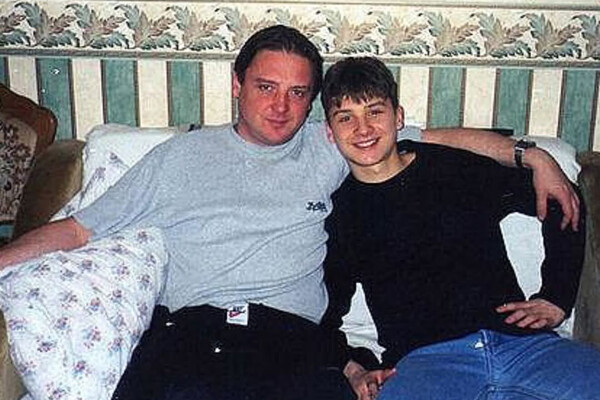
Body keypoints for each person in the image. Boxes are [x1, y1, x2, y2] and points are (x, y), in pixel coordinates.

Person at [0, 26, 582, 400]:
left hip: (294, 346)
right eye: (266, 87)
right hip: (193, 337)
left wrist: (532, 157)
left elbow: (425, 137)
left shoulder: (331, 144)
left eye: (299, 93)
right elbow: (78, 228)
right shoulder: (178, 158)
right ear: (237, 85)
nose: (282, 106)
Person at [320, 56, 600, 400]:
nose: (363, 129)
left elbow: (559, 198)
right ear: (330, 132)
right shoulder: (341, 214)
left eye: (375, 111)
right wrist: (356, 366)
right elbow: (323, 312)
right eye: (346, 117)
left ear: (399, 117)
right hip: (427, 365)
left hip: (523, 347)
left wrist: (556, 296)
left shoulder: (453, 168)